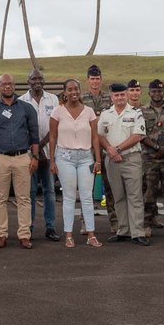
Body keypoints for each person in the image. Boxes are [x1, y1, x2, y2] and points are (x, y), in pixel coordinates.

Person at [0, 74, 39, 249]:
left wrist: (35, 157)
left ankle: (24, 235)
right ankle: (1, 235)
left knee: (24, 198)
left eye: (10, 84)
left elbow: (34, 135)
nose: (8, 87)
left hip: (23, 157)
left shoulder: (27, 108)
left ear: (14, 86)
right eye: (4, 84)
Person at [49, 79, 100, 248]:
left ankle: (91, 234)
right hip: (65, 157)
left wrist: (98, 159)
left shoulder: (89, 112)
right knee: (69, 197)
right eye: (70, 89)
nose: (73, 92)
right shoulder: (58, 111)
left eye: (76, 89)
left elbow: (95, 137)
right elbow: (53, 137)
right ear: (65, 92)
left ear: (80, 90)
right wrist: (52, 160)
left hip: (86, 157)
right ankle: (69, 235)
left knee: (86, 197)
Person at [97, 82, 148, 246]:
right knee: (118, 196)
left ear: (126, 95)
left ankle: (138, 232)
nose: (119, 97)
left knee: (135, 196)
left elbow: (138, 136)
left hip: (131, 159)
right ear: (112, 97)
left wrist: (117, 149)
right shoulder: (105, 114)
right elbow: (100, 135)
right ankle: (123, 231)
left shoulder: (136, 113)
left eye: (122, 95)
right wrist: (110, 151)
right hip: (111, 160)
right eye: (116, 95)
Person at [20, 69, 60, 242]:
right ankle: (29, 227)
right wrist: (35, 148)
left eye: (40, 78)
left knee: (49, 191)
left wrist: (43, 145)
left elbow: (55, 125)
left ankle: (50, 227)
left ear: (44, 81)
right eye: (33, 78)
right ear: (28, 82)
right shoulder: (21, 101)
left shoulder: (53, 99)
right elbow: (21, 127)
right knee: (29, 192)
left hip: (49, 151)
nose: (37, 81)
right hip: (29, 154)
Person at [80, 65, 116, 229]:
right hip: (86, 147)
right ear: (88, 80)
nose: (95, 82)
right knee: (86, 187)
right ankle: (85, 222)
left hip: (106, 146)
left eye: (97, 79)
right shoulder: (81, 99)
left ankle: (115, 222)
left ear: (101, 80)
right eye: (92, 79)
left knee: (110, 186)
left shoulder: (110, 99)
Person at [140, 79, 164, 234]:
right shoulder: (142, 111)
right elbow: (140, 134)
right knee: (148, 193)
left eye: (159, 91)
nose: (157, 94)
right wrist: (157, 148)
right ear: (149, 93)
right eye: (154, 91)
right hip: (149, 157)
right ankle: (146, 223)